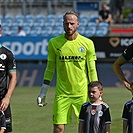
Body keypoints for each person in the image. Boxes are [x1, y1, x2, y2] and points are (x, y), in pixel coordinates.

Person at [37, 10, 98, 133]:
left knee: (85, 127)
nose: (69, 26)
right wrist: (43, 91)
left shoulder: (87, 43)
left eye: (72, 23)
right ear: (63, 24)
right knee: (58, 128)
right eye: (66, 23)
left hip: (82, 93)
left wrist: (96, 91)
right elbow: (50, 68)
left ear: (78, 24)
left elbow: (92, 69)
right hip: (62, 94)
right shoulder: (54, 43)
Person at [0, 24, 17, 133]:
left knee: (7, 130)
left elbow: (13, 78)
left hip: (2, 100)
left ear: (0, 33)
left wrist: (7, 97)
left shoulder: (7, 54)